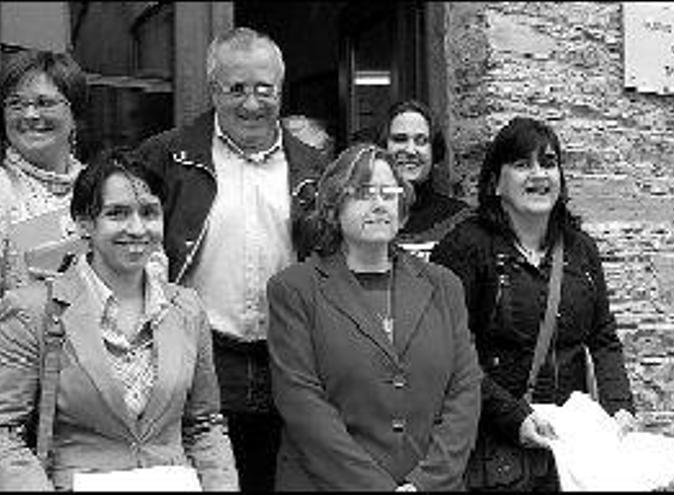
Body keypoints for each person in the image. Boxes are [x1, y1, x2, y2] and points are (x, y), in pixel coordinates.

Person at [135, 27, 328, 491]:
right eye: (235, 89)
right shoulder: (166, 156)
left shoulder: (314, 165)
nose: (251, 103)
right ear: (212, 89)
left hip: (291, 356)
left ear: (281, 90)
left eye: (264, 89)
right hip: (200, 355)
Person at [0, 149, 238, 491]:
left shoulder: (187, 310)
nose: (137, 228)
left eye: (149, 212)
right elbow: (6, 433)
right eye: (117, 213)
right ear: (83, 222)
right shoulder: (32, 311)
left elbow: (205, 425)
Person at [431, 117, 636, 491]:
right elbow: (450, 354)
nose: (539, 174)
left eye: (548, 162)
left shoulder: (580, 250)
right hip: (494, 446)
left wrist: (619, 406)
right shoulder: (464, 248)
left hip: (570, 447)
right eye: (522, 164)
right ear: (495, 182)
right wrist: (514, 418)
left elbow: (603, 338)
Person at [267, 143, 482, 491]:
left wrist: (426, 483)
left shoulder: (444, 286)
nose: (380, 203)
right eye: (364, 193)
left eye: (389, 193)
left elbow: (464, 392)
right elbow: (303, 405)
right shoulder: (294, 290)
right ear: (334, 208)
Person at [0, 49, 88, 297]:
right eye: (16, 104)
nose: (30, 115)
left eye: (44, 103)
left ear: (75, 114)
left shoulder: (101, 185)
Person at [378, 100, 470, 254]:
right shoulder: (365, 216)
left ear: (435, 151)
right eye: (400, 139)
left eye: (421, 141)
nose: (410, 150)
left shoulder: (460, 220)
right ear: (383, 148)